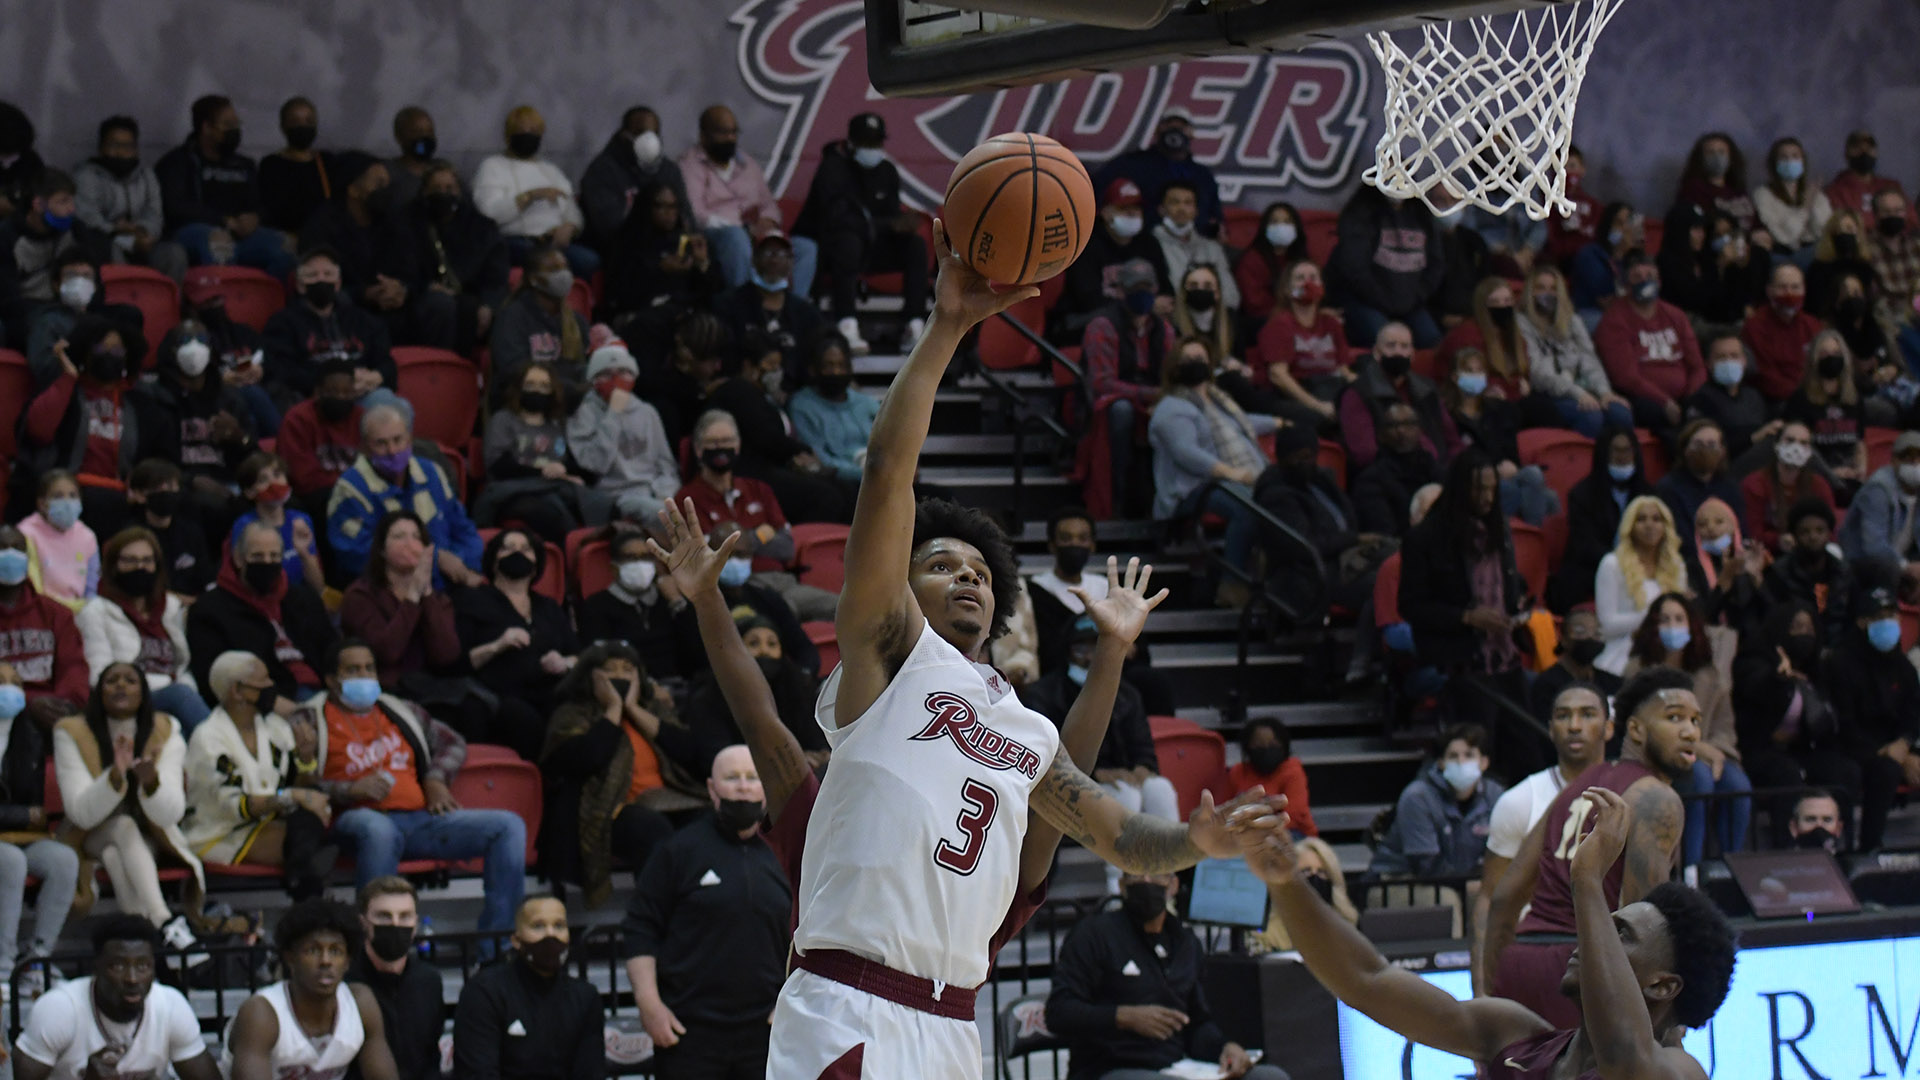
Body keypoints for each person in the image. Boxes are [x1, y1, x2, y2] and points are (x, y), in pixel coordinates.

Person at [766, 218, 1274, 1080]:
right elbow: (889, 473)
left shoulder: (1029, 732)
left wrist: (1200, 843)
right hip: (850, 1003)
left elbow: (1121, 837)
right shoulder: (890, 662)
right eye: (938, 563)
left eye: (980, 570)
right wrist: (946, 329)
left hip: (956, 1022)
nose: (965, 577)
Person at [1238, 777, 1734, 1080]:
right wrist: (1285, 883)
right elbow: (1366, 981)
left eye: (1619, 933)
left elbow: (1625, 1060)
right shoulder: (1513, 1034)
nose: (1591, 937)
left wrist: (1586, 880)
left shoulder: (1679, 1071)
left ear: (1662, 985)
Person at [1479, 667, 1693, 1028]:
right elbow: (1643, 922)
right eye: (1675, 719)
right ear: (1636, 729)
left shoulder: (1580, 784)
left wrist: (1489, 991)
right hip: (1581, 966)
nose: (1691, 732)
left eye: (1696, 720)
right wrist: (1662, 1028)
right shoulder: (1657, 797)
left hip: (1522, 960)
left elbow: (1504, 898)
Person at [297, 638, 527, 930]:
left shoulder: (401, 710)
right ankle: (374, 943)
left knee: (508, 826)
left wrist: (435, 779)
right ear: (331, 680)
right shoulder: (309, 717)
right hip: (356, 821)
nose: (365, 676)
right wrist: (348, 789)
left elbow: (452, 742)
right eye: (353, 670)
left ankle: (499, 945)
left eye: (370, 669)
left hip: (419, 820)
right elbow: (299, 782)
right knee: (379, 830)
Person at [621, 743, 788, 1080]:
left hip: (765, 1032)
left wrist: (788, 1001)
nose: (743, 786)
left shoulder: (787, 855)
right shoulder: (678, 851)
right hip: (688, 1031)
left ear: (766, 788)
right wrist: (649, 1003)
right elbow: (640, 929)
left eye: (752, 778)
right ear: (712, 789)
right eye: (732, 778)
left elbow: (806, 935)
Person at [1046, 868, 1286, 1080]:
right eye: (1137, 873)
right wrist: (1122, 1016)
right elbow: (1059, 1012)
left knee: (1269, 1076)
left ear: (1173, 885)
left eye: (1156, 874)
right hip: (1107, 1068)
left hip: (1177, 1065)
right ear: (1122, 885)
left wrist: (1224, 1048)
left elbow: (1197, 1023)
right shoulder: (1094, 935)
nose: (1147, 881)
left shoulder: (1186, 943)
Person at [1398, 452, 1543, 775]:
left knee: (1527, 754)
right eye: (1478, 490)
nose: (1486, 498)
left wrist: (1514, 605)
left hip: (1505, 657)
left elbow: (1506, 583)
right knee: (1477, 756)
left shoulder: (1498, 530)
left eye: (1492, 490)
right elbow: (1411, 605)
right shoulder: (1425, 538)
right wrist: (1466, 616)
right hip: (1460, 664)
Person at [538, 639, 709, 905]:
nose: (620, 677)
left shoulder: (653, 712)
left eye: (628, 670)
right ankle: (660, 916)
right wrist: (614, 709)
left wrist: (634, 710)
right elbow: (588, 757)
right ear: (589, 675)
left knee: (710, 822)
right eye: (610, 670)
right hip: (609, 811)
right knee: (651, 829)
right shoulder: (573, 714)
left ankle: (710, 912)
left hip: (672, 801)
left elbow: (689, 752)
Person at [1473, 682, 1611, 994]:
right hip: (1536, 958)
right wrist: (1482, 991)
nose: (1574, 726)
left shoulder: (1632, 796)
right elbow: (1489, 898)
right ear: (1550, 729)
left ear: (1609, 727)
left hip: (1608, 960)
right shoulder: (1519, 800)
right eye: (1564, 716)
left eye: (1587, 715)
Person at [52, 662, 206, 940]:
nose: (121, 685)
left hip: (149, 834)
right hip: (86, 835)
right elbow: (80, 814)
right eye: (112, 680)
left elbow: (170, 814)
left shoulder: (165, 728)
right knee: (122, 827)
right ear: (99, 691)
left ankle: (145, 940)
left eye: (130, 680)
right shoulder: (71, 730)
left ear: (143, 691)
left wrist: (151, 782)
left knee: (115, 855)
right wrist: (115, 777)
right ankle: (164, 921)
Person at [1020, 614, 1173, 892]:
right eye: (1083, 648)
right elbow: (1042, 758)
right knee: (1125, 795)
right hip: (1069, 789)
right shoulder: (1043, 694)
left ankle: (1165, 883)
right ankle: (1121, 887)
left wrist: (1142, 768)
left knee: (1159, 789)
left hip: (1123, 781)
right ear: (1069, 650)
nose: (1091, 657)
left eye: (1099, 648)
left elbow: (1144, 748)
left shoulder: (1128, 694)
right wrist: (1095, 774)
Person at [184, 651, 332, 897]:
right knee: (308, 845)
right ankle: (304, 891)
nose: (271, 686)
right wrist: (293, 797)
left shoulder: (275, 727)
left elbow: (302, 786)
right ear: (237, 691)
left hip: (269, 820)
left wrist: (306, 760)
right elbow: (234, 806)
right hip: (219, 831)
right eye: (262, 682)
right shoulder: (208, 738)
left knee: (308, 824)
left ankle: (301, 884)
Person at [11, 914, 222, 1080]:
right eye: (118, 966)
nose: (132, 979)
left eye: (143, 966)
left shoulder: (170, 1006)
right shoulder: (59, 1009)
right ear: (97, 967)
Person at [675, 409, 838, 621]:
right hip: (737, 590)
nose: (721, 448)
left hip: (782, 582)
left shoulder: (758, 489)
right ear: (698, 449)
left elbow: (786, 547)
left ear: (738, 446)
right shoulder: (687, 499)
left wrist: (740, 541)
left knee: (848, 609)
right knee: (781, 616)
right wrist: (762, 535)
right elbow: (706, 557)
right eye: (713, 442)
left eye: (727, 441)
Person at [1621, 595, 1748, 868]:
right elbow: (1640, 726)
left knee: (1738, 786)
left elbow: (1725, 727)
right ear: (1653, 627)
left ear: (1692, 626)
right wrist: (1698, 748)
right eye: (1664, 620)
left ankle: (1732, 868)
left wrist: (1713, 751)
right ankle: (1691, 871)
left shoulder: (1710, 675)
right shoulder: (1639, 671)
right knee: (1700, 778)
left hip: (1708, 754)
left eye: (1679, 619)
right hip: (1657, 759)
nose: (1672, 626)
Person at [1148, 335, 1280, 587]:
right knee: (1247, 507)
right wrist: (1233, 473)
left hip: (1222, 482)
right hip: (1190, 492)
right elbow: (1186, 453)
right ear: (1174, 367)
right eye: (1187, 360)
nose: (1195, 363)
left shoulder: (1218, 400)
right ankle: (1232, 584)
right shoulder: (1171, 407)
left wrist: (1279, 422)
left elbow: (1240, 423)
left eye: (1200, 358)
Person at [796, 112, 929, 353]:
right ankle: (847, 324)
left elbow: (890, 214)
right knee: (848, 241)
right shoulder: (832, 168)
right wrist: (888, 224)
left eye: (876, 143)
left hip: (871, 248)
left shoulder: (887, 170)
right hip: (832, 250)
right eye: (866, 143)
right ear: (851, 142)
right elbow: (836, 219)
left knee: (915, 245)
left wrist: (902, 222)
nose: (872, 149)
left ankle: (914, 324)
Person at [224, 898, 400, 1080]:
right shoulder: (261, 1013)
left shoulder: (360, 1003)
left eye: (335, 951)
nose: (326, 961)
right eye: (313, 950)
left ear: (347, 961)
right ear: (290, 958)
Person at [186, 522, 335, 721]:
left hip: (325, 692)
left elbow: (331, 647)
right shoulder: (209, 610)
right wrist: (267, 699)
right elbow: (214, 677)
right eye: (257, 556)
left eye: (274, 556)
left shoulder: (302, 598)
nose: (267, 563)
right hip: (268, 703)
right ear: (239, 559)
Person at [706, 331, 855, 526]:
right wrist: (801, 451)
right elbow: (766, 437)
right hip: (746, 473)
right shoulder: (738, 390)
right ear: (748, 365)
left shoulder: (764, 396)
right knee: (827, 497)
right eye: (770, 365)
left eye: (778, 365)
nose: (776, 371)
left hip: (770, 468)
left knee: (849, 491)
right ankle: (805, 550)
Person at [452, 894, 607, 1080]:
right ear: (516, 940)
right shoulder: (484, 992)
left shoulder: (586, 997)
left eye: (559, 926)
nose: (550, 935)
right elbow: (477, 1073)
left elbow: (591, 1073)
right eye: (538, 926)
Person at [327, 404, 484, 585]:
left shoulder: (431, 471)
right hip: (389, 590)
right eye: (381, 443)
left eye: (397, 440)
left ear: (410, 439)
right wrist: (435, 560)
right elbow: (357, 556)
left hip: (449, 580)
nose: (392, 450)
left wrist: (464, 567)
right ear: (364, 448)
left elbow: (463, 528)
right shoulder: (350, 489)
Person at [454, 529, 579, 757]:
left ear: (536, 563)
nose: (517, 553)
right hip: (500, 696)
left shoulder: (548, 606)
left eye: (525, 549)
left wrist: (564, 663)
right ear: (493, 562)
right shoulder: (472, 600)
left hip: (551, 692)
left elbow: (578, 655)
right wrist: (497, 645)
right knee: (522, 718)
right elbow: (458, 662)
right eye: (507, 548)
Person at [1818, 577, 1919, 853]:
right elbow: (1843, 722)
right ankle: (1846, 847)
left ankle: (1872, 847)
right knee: (1856, 772)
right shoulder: (1840, 663)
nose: (1889, 623)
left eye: (1892, 616)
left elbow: (1913, 712)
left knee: (1889, 768)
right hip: (1847, 747)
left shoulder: (1902, 666)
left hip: (1892, 748)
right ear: (1862, 622)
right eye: (1880, 617)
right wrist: (1888, 752)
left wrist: (1904, 743)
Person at [680, 104, 817, 296]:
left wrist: (767, 221)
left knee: (805, 248)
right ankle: (743, 308)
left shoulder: (747, 163)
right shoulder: (690, 165)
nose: (730, 138)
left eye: (734, 132)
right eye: (723, 133)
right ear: (704, 136)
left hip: (754, 234)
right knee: (736, 237)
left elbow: (768, 204)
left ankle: (792, 310)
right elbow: (694, 213)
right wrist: (741, 228)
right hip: (716, 236)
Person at [76, 527, 205, 730]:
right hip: (126, 701)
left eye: (147, 561)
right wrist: (169, 687)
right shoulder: (96, 612)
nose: (140, 567)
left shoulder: (170, 608)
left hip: (175, 701)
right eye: (130, 561)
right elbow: (98, 676)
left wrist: (184, 688)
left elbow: (182, 667)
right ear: (113, 566)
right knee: (181, 697)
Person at [153, 95, 294, 278]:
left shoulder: (244, 164)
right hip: (194, 234)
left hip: (241, 235)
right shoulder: (177, 162)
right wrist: (224, 220)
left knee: (286, 246)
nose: (235, 130)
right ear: (206, 128)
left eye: (236, 123)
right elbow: (176, 207)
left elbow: (262, 204)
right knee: (219, 244)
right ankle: (218, 304)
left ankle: (265, 302)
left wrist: (255, 218)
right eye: (228, 125)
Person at [0, 661, 75, 995]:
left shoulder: (26, 731)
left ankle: (37, 958)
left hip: (17, 837)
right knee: (11, 862)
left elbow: (36, 809)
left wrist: (22, 817)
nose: (10, 689)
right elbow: (28, 812)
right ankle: (3, 966)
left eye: (16, 681)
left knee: (63, 859)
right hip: (10, 839)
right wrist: (20, 816)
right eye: (1, 681)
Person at [132, 321, 262, 514]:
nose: (194, 347)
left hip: (228, 483)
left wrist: (239, 436)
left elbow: (253, 453)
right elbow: (148, 458)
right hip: (177, 483)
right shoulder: (155, 397)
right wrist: (190, 480)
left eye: (201, 340)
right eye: (185, 340)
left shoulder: (230, 398)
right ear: (171, 349)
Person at [337, 510, 467, 699]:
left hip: (432, 686)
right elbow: (387, 652)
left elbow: (446, 655)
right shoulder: (360, 596)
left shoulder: (438, 599)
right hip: (387, 690)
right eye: (399, 537)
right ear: (381, 548)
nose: (410, 544)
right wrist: (412, 597)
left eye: (416, 537)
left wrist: (426, 592)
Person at [1083, 258, 1177, 516]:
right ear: (1121, 291)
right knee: (1122, 411)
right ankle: (1118, 497)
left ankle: (1165, 504)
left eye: (1147, 288)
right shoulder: (1103, 325)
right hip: (1109, 404)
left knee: (1175, 412)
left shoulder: (1164, 329)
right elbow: (1102, 384)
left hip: (1152, 400)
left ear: (1156, 289)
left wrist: (1161, 398)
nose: (1142, 294)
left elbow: (1170, 377)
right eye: (1135, 288)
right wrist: (1152, 394)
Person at [387, 163, 511, 355]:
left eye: (449, 188)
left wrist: (489, 304)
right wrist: (425, 286)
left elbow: (496, 276)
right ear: (423, 192)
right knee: (442, 305)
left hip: (471, 297)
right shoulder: (407, 222)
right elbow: (402, 267)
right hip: (423, 297)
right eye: (436, 189)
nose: (443, 194)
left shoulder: (481, 226)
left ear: (459, 192)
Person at [477, 363, 607, 542]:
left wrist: (565, 472)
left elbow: (571, 464)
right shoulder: (503, 420)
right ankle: (574, 557)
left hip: (556, 489)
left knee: (602, 503)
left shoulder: (556, 425)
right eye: (530, 385)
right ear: (519, 388)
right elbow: (499, 466)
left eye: (544, 386)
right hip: (515, 493)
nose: (537, 391)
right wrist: (544, 474)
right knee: (551, 512)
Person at [262, 245, 397, 412]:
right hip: (314, 399)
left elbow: (386, 363)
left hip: (363, 394)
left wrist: (377, 376)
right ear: (300, 285)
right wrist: (334, 383)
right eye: (312, 275)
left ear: (338, 283)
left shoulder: (363, 320)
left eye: (328, 274)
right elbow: (282, 370)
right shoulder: (282, 323)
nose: (321, 280)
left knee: (390, 402)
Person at [20, 318, 138, 505]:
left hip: (119, 498)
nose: (108, 354)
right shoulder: (68, 390)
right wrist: (67, 378)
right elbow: (38, 431)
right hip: (67, 493)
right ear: (86, 352)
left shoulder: (138, 403)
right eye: (100, 348)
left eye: (116, 350)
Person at [471, 105, 596, 277]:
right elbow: (488, 214)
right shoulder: (492, 166)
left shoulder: (551, 171)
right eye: (522, 130)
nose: (528, 135)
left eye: (534, 131)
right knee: (539, 260)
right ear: (509, 135)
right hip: (514, 241)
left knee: (589, 261)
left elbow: (572, 210)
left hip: (552, 243)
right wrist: (530, 196)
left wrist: (570, 226)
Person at [1442, 348, 1559, 526]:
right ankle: (1530, 537)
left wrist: (1511, 466)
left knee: (1534, 476)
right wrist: (1493, 471)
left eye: (1479, 371)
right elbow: (1459, 457)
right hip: (1475, 480)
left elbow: (1509, 447)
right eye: (1469, 371)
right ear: (1455, 377)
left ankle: (1533, 537)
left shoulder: (1499, 409)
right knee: (1543, 497)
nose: (1475, 376)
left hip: (1508, 472)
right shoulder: (1448, 415)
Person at [1372, 723, 1504, 877]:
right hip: (1401, 878)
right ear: (1441, 763)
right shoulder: (1417, 796)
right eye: (1453, 756)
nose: (1461, 762)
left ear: (1484, 762)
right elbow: (1425, 864)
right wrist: (1472, 885)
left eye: (1469, 755)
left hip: (1464, 879)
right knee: (1449, 900)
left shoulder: (1496, 795)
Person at [1052, 178, 1173, 345]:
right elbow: (1089, 300)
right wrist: (1143, 306)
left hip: (1141, 323)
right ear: (1105, 212)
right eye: (1123, 208)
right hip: (1087, 321)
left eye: (1136, 208)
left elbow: (1166, 290)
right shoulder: (1086, 245)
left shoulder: (1149, 244)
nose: (1132, 213)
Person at [1595, 255, 1705, 436]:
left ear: (1659, 282)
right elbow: (1626, 377)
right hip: (1643, 397)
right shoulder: (1614, 320)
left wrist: (1690, 399)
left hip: (1684, 396)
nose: (1645, 281)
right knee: (1657, 415)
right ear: (1626, 284)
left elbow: (1697, 366)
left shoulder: (1675, 315)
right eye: (1637, 277)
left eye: (1650, 276)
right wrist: (1665, 402)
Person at [0, 169, 113, 345]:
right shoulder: (7, 237)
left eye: (72, 201)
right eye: (63, 202)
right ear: (38, 204)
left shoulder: (76, 230)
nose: (71, 209)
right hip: (28, 313)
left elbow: (95, 279)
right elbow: (9, 301)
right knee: (48, 323)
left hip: (74, 306)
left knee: (127, 315)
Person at [72, 115, 190, 283]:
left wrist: (142, 232)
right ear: (101, 148)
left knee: (174, 253)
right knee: (112, 249)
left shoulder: (146, 175)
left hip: (142, 240)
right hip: (107, 240)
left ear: (136, 149)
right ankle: (124, 303)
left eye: (127, 146)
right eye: (114, 145)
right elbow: (88, 218)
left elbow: (154, 214)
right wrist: (120, 233)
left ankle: (167, 305)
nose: (120, 152)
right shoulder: (86, 176)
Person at [1517, 265, 1632, 437]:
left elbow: (1590, 359)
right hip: (1550, 393)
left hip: (1584, 388)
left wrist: (1605, 392)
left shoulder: (1572, 320)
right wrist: (1577, 393)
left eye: (1553, 289)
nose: (1547, 293)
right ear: (1530, 292)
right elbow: (1538, 373)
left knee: (1620, 414)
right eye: (1540, 288)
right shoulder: (1521, 323)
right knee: (1591, 417)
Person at [349, 877, 446, 1080]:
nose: (395, 924)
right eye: (384, 916)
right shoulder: (345, 982)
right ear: (363, 923)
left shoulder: (429, 981)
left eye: (405, 917)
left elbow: (430, 1059)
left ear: (416, 924)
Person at [574, 527, 701, 681]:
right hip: (629, 688)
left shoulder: (668, 598)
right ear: (614, 567)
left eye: (646, 557)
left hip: (681, 685)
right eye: (631, 558)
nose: (640, 564)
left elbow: (698, 652)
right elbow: (600, 661)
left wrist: (677, 602)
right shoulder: (596, 605)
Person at [1325, 185, 1445, 347]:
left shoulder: (1422, 215)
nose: (1398, 184)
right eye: (1391, 178)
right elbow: (1354, 269)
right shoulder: (1360, 214)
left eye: (1403, 178)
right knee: (1386, 341)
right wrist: (1385, 301)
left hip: (1410, 303)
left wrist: (1414, 298)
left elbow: (1436, 265)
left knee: (1433, 341)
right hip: (1366, 301)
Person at [601, 179, 719, 338]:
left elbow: (711, 293)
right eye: (660, 206)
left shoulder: (685, 242)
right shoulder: (627, 241)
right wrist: (659, 270)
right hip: (639, 314)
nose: (669, 213)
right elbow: (619, 295)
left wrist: (702, 264)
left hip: (683, 313)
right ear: (647, 207)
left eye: (673, 207)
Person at [1338, 321, 1461, 470]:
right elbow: (1366, 453)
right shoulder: (1358, 393)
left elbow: (1452, 440)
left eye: (1404, 346)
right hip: (1390, 479)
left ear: (1412, 354)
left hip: (1438, 472)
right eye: (1390, 346)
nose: (1398, 352)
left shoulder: (1428, 389)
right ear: (1376, 353)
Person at [0, 526, 90, 728]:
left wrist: (63, 703)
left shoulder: (56, 614)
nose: (10, 554)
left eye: (17, 548)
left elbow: (73, 668)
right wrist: (28, 703)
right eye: (2, 548)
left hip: (51, 712)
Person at [1592, 495, 1686, 678]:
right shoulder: (1612, 564)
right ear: (1629, 526)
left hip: (1669, 655)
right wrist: (1653, 617)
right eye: (1641, 519)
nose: (1649, 525)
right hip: (1621, 656)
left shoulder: (1677, 566)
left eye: (1657, 519)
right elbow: (1606, 625)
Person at [579, 106, 691, 255]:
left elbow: (687, 218)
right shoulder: (602, 170)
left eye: (654, 134)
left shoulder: (669, 171)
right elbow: (608, 226)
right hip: (620, 250)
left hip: (667, 246)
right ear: (624, 135)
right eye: (640, 133)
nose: (649, 141)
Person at [1091, 111, 1224, 238]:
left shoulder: (1203, 176)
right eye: (1169, 124)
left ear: (1191, 133)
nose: (1175, 130)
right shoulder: (1132, 164)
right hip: (1141, 244)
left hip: (1191, 245)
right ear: (1157, 130)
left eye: (1182, 126)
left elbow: (1216, 220)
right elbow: (1097, 190)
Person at [711, 230, 825, 374]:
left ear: (791, 262)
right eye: (768, 253)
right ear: (754, 259)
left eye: (782, 255)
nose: (774, 260)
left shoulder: (807, 314)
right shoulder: (728, 304)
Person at [489, 243, 592, 404]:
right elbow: (513, 371)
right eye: (553, 269)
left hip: (568, 405)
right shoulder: (512, 317)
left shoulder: (576, 321)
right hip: (524, 404)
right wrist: (569, 388)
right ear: (534, 279)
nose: (563, 274)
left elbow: (583, 367)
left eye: (565, 268)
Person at [1252, 258, 1350, 421]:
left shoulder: (1331, 323)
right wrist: (1318, 406)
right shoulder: (1280, 324)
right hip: (1296, 394)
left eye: (1313, 278)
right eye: (1300, 278)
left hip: (1330, 386)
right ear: (1288, 289)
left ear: (1322, 287)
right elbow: (1278, 375)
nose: (1307, 283)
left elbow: (1344, 370)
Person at [1782, 331, 1868, 500]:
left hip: (1850, 476)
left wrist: (1861, 470)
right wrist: (1832, 473)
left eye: (1836, 353)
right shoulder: (1800, 399)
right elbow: (1799, 446)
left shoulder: (1854, 398)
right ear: (1814, 359)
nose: (1831, 358)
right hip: (1817, 477)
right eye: (1824, 353)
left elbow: (1859, 442)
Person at [114, 459, 215, 599]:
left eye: (171, 487)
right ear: (140, 495)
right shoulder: (131, 537)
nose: (166, 493)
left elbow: (206, 577)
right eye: (157, 488)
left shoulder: (191, 532)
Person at [787, 330, 878, 484]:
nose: (836, 372)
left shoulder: (866, 403)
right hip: (838, 480)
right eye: (828, 366)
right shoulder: (802, 405)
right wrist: (865, 474)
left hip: (880, 476)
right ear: (813, 369)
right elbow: (820, 459)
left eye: (841, 365)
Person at [230, 451, 324, 591]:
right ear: (249, 492)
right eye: (263, 480)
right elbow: (244, 585)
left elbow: (319, 588)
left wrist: (304, 553)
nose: (274, 484)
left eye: (277, 475)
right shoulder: (244, 527)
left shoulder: (302, 520)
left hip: (300, 598)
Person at [278, 358, 365, 508]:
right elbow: (302, 478)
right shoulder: (298, 419)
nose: (340, 397)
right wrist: (348, 486)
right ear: (318, 392)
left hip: (357, 492)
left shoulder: (362, 418)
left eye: (346, 392)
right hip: (314, 498)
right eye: (333, 391)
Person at [1763, 497, 1853, 641]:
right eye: (1805, 532)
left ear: (1829, 533)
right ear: (1795, 536)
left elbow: (1847, 618)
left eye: (1819, 530)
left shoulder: (1843, 571)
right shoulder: (1779, 573)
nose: (1813, 537)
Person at [1353, 401, 1446, 537]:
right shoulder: (1370, 480)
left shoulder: (1435, 469)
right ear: (1381, 434)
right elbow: (1383, 533)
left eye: (1409, 424)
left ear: (1420, 430)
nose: (1401, 431)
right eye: (1393, 425)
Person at [1838, 429, 1920, 577]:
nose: (1915, 465)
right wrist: (1908, 567)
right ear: (1894, 461)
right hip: (1863, 568)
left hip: (1900, 565)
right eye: (1908, 458)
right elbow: (1873, 546)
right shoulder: (1878, 489)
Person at [1687, 333, 1779, 463]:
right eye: (1721, 357)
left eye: (1734, 356)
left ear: (1744, 361)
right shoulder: (1700, 400)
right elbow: (1704, 448)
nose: (1728, 362)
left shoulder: (1754, 396)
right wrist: (1752, 438)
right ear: (1708, 364)